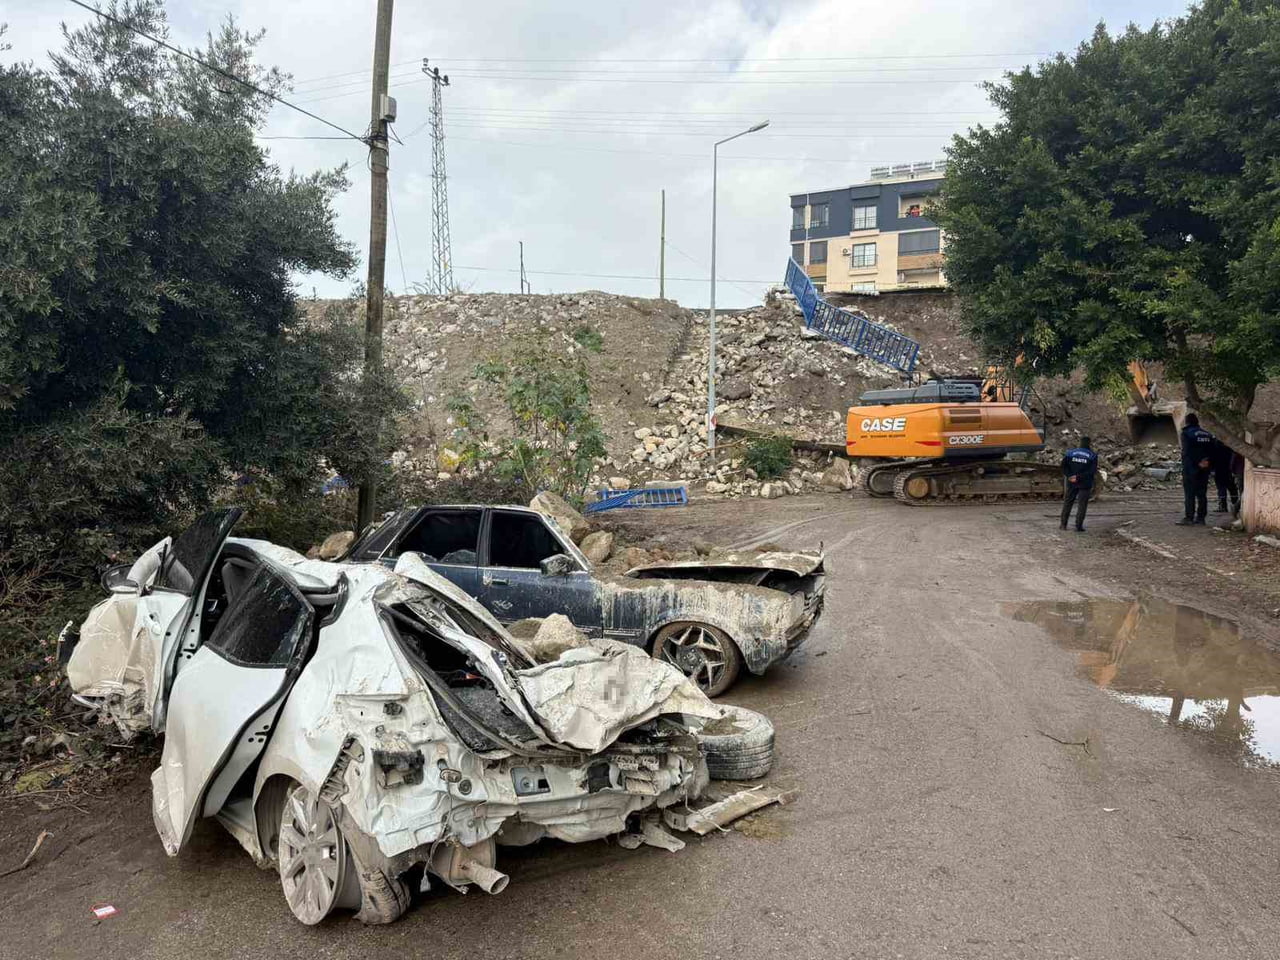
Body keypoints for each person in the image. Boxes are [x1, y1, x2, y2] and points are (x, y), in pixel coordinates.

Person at [1176, 413, 1215, 525]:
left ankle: (1189, 517)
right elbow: (1214, 450)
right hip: (1205, 468)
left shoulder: (1186, 433)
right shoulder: (1207, 435)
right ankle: (1201, 518)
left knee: (1190, 494)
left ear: (1187, 422)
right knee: (1202, 494)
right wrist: (1207, 462)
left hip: (1191, 468)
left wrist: (1198, 462)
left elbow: (1187, 451)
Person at [1060, 436, 1098, 532]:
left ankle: (1063, 525)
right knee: (1082, 505)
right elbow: (1092, 471)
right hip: (1085, 484)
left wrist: (1070, 476)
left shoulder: (1070, 453)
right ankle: (1078, 526)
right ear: (1089, 443)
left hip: (1072, 482)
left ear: (1080, 443)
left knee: (1068, 503)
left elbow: (1063, 466)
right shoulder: (1092, 455)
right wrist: (1079, 477)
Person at [1211, 437, 1240, 514]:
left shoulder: (1215, 443)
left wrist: (1212, 469)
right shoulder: (1229, 443)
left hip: (1219, 468)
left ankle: (1223, 506)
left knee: (1221, 487)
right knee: (1232, 487)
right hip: (1229, 468)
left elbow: (1212, 456)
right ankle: (1235, 504)